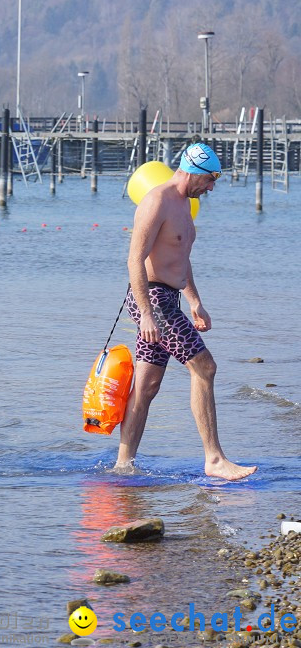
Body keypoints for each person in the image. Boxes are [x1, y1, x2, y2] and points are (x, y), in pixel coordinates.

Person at [115, 143, 256, 480]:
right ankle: (214, 459)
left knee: (147, 386)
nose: (211, 188)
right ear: (192, 170)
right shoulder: (157, 201)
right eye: (209, 180)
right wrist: (147, 314)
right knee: (204, 367)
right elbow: (135, 259)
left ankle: (122, 465)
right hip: (153, 301)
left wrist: (195, 301)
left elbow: (180, 260)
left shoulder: (186, 205)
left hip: (169, 300)